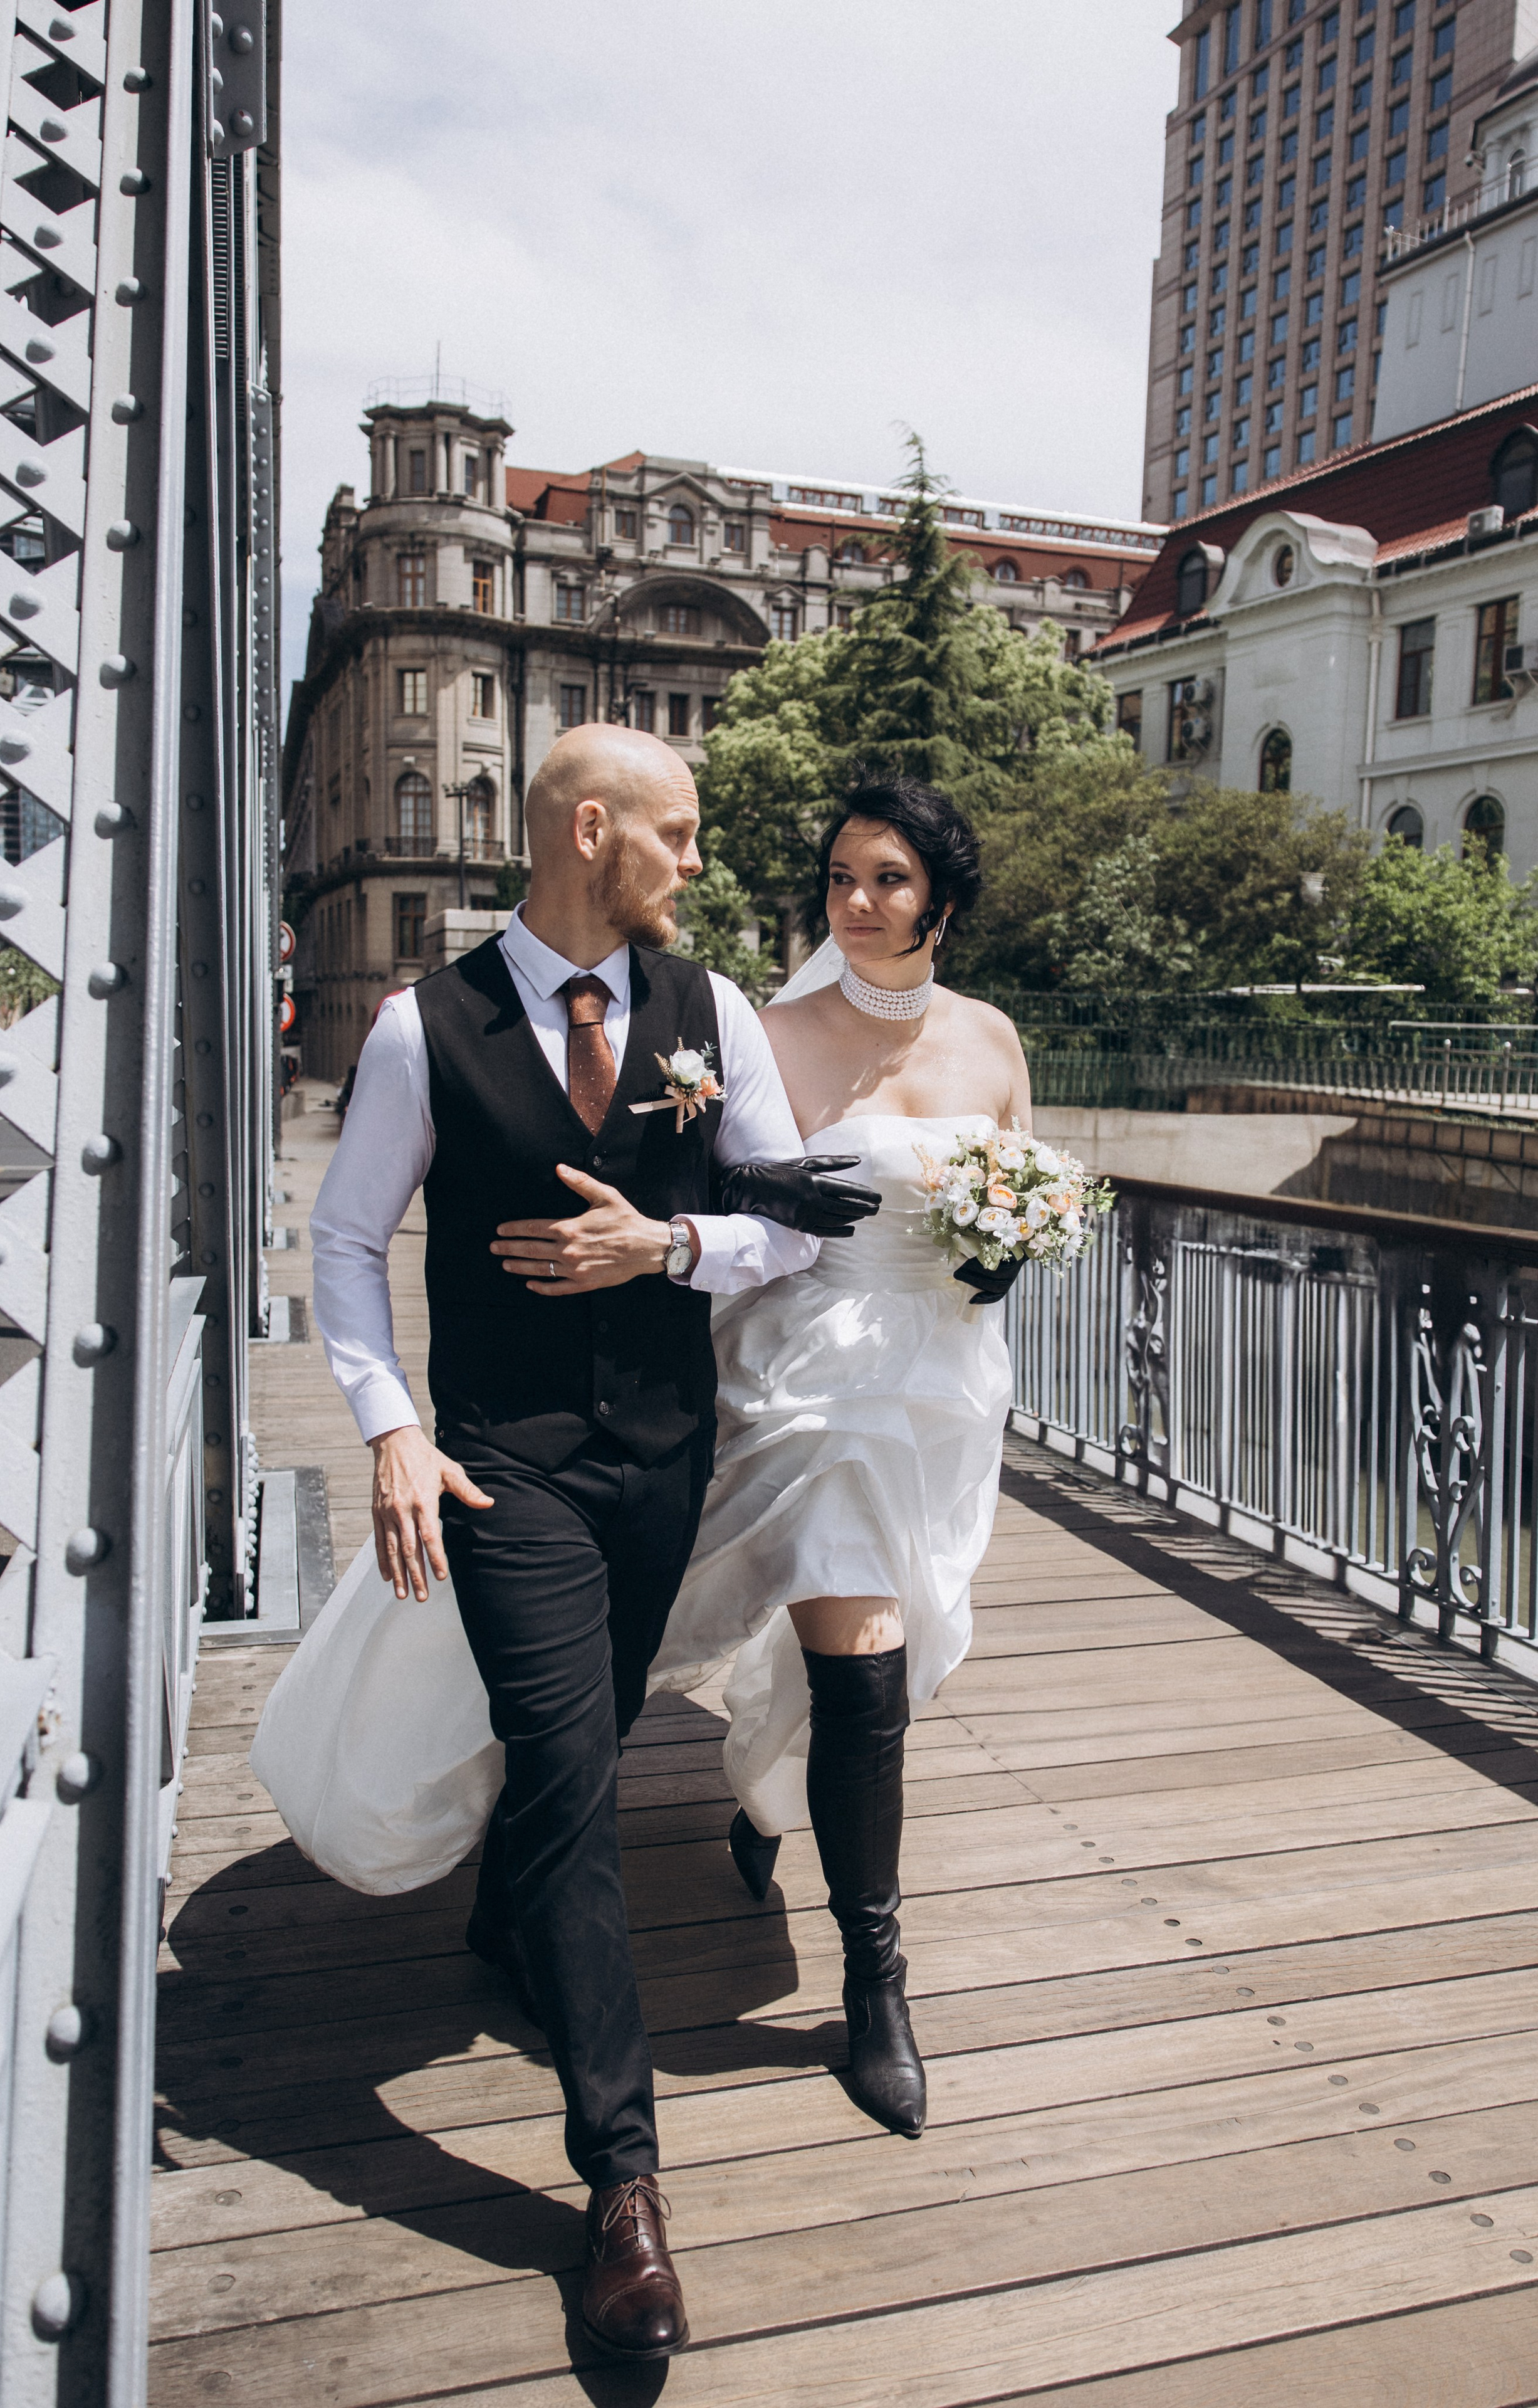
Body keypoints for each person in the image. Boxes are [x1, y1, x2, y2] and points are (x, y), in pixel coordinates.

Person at [303, 723, 877, 2363]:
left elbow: (789, 1223)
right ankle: (623, 2186)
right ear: (591, 830)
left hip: (663, 1458)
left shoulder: (713, 1014)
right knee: (571, 1773)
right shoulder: (425, 1027)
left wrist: (669, 1241)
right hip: (504, 1466)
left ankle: (507, 1912)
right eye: (677, 834)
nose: (696, 861)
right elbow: (344, 1241)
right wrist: (390, 1426)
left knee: (590, 1738)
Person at [651, 770, 1031, 2142]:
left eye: (887, 879)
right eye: (839, 878)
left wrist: (1008, 1249)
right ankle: (878, 1986)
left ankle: (764, 1793)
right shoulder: (765, 1032)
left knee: (885, 1653)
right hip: (807, 1372)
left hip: (940, 1382)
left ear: (940, 900)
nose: (856, 903)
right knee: (866, 1675)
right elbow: (695, 1187)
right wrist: (741, 1181)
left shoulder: (991, 1039)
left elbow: (1017, 1185)